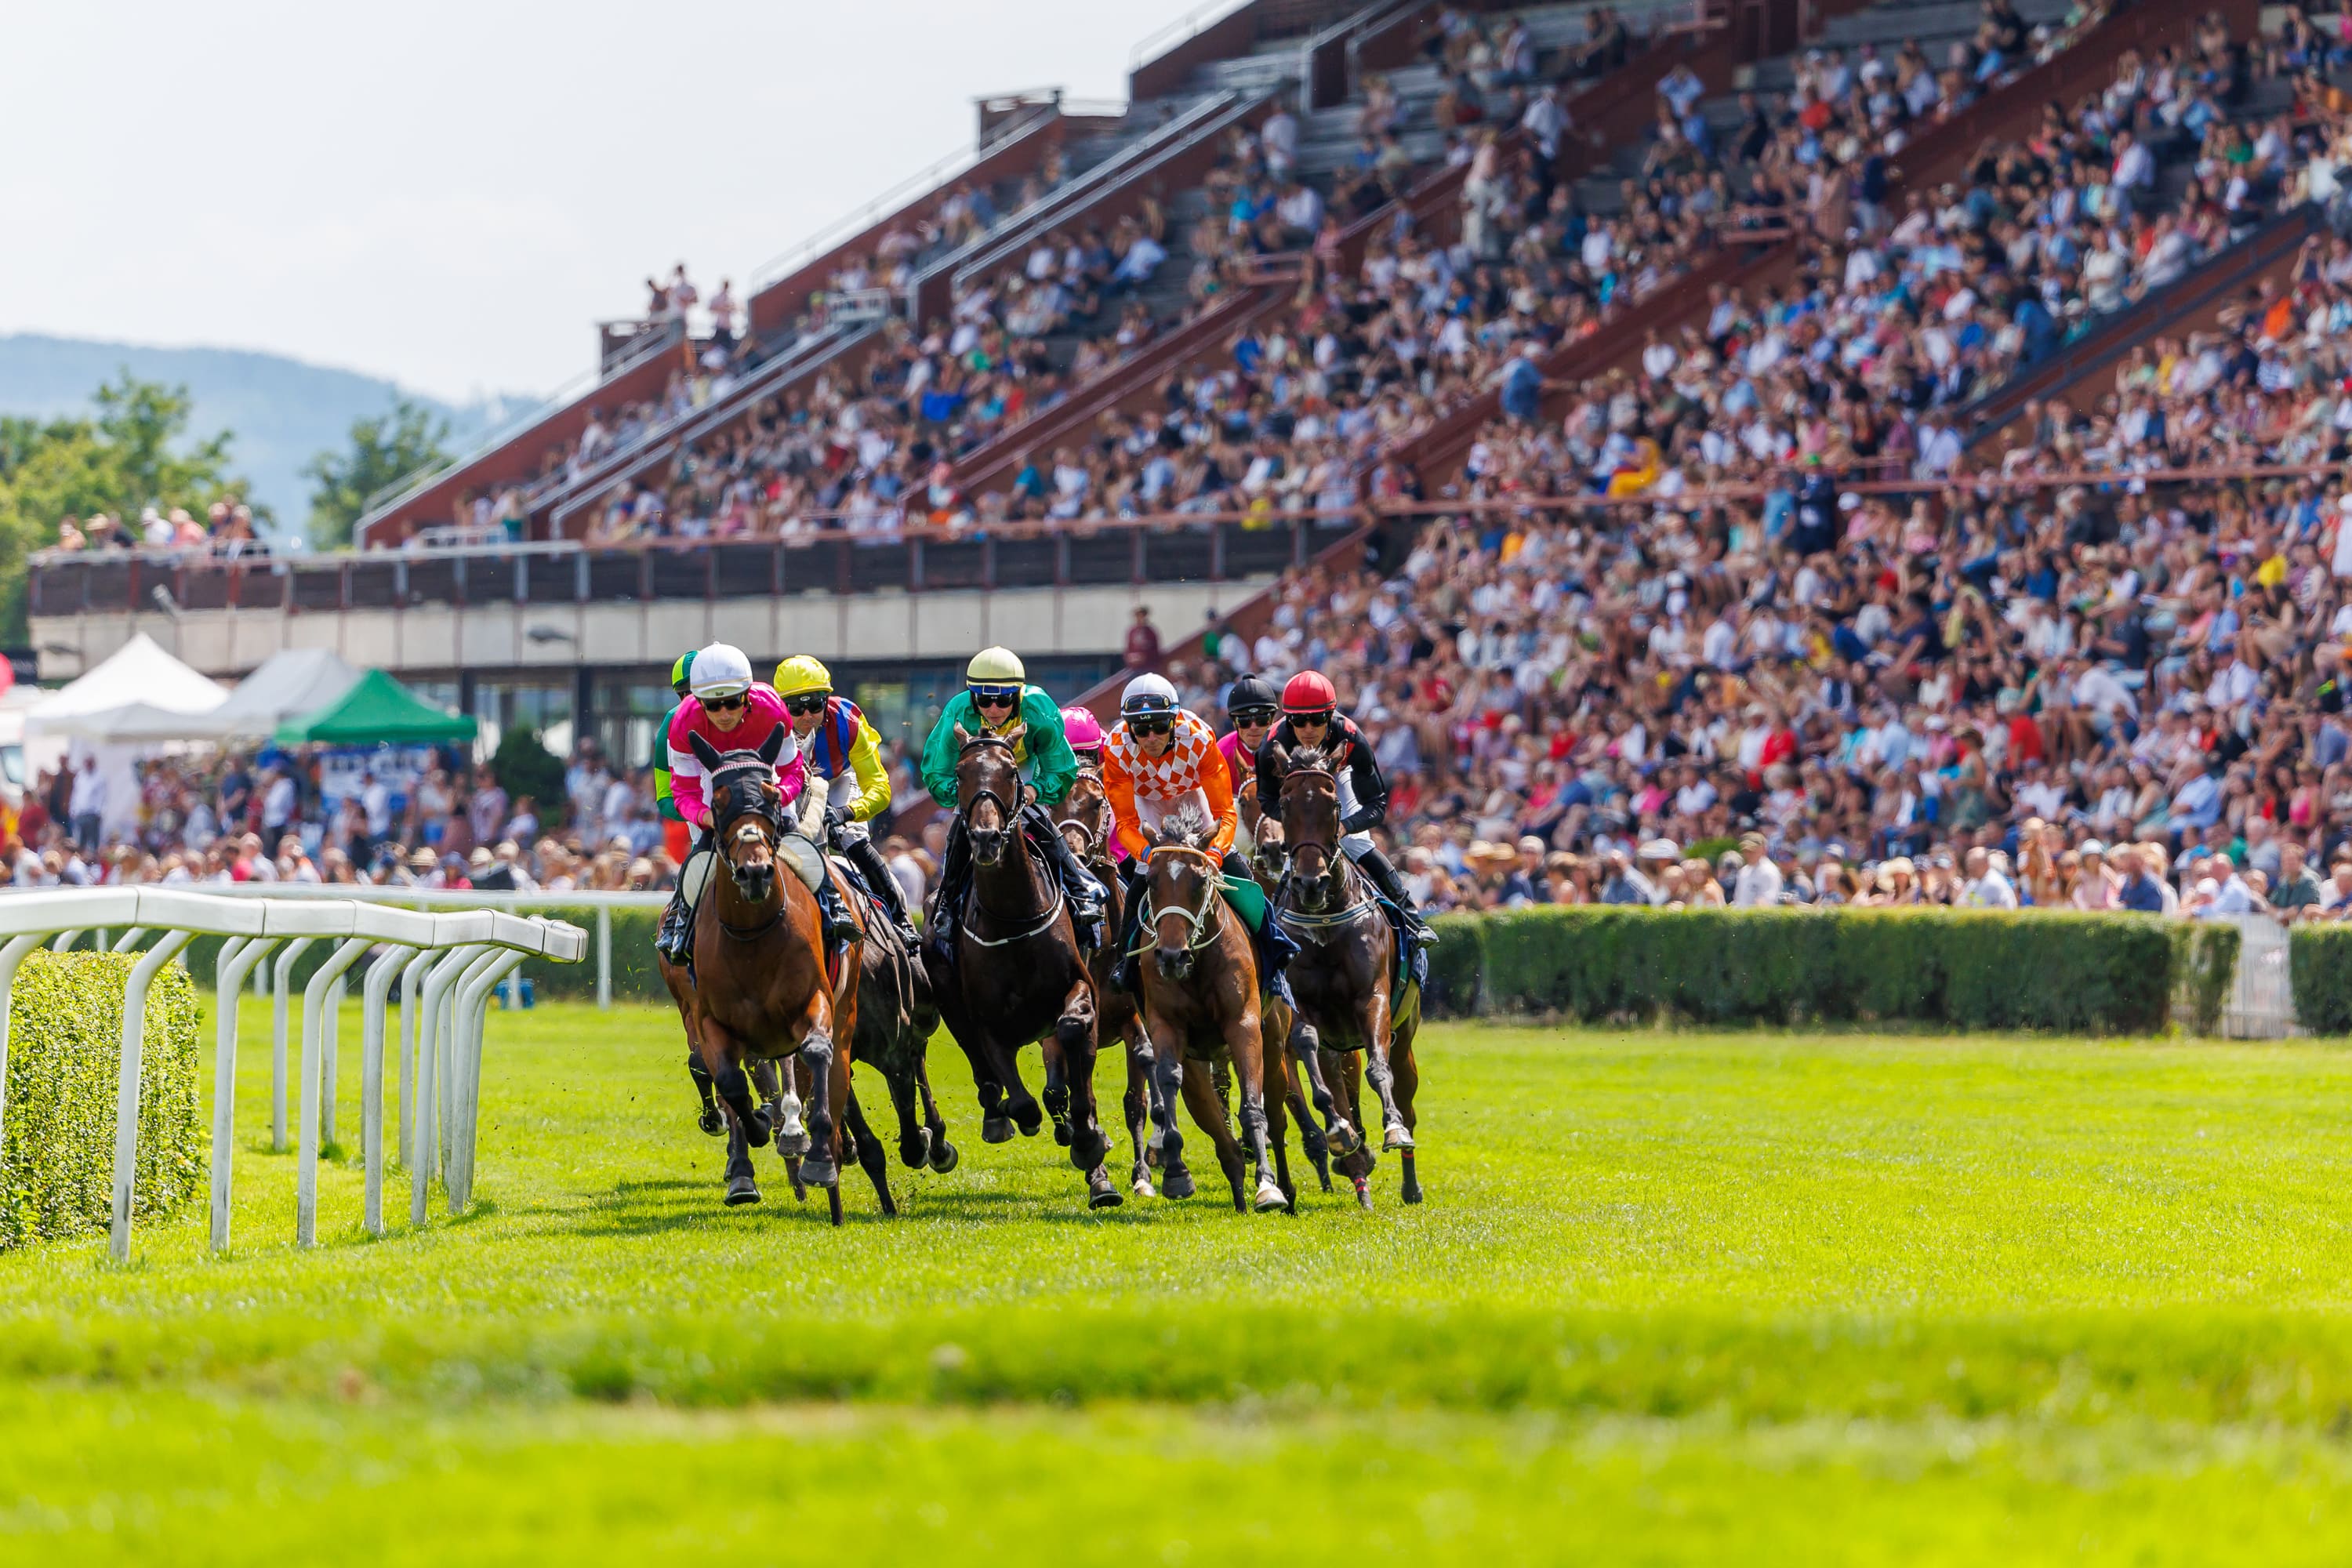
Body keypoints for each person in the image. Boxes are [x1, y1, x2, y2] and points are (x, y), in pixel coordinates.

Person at [653, 641, 856, 971]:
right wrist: (706, 816)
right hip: (713, 782)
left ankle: (833, 903)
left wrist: (779, 796)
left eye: (732, 703)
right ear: (697, 701)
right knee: (702, 854)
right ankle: (681, 921)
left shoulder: (771, 707)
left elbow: (791, 770)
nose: (723, 714)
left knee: (795, 840)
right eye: (713, 706)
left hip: (765, 776)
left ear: (747, 695)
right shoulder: (682, 723)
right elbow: (684, 793)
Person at [1100, 673, 1297, 995]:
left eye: (1160, 727)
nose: (1151, 737)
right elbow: (1125, 825)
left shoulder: (1199, 738)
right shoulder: (1116, 748)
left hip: (1191, 796)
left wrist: (1218, 852)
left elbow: (1225, 814)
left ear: (1174, 720)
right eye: (1141, 729)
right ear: (1128, 727)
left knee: (1239, 873)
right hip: (1147, 804)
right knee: (1141, 877)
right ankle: (1124, 959)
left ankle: (1273, 955)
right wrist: (1148, 855)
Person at [917, 646, 1106, 953]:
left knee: (1044, 826)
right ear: (972, 696)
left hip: (1023, 773)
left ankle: (1079, 889)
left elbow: (1062, 766)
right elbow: (936, 772)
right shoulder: (957, 710)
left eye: (1003, 699)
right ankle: (946, 909)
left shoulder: (1038, 707)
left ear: (1018, 696)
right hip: (979, 783)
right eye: (984, 699)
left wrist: (1035, 791)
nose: (993, 708)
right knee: (960, 836)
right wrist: (970, 796)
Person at [1253, 670, 1434, 944]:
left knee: (1357, 844)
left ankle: (1411, 917)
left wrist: (1344, 827)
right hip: (1294, 789)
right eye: (1299, 721)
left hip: (1336, 776)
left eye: (1317, 719)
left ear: (1331, 715)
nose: (1309, 729)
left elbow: (1376, 804)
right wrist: (1296, 824)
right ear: (1288, 720)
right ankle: (1271, 932)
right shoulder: (1270, 746)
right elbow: (1265, 798)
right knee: (1296, 852)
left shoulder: (1351, 737)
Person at [773, 654, 919, 943]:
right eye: (795, 708)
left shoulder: (847, 720)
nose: (806, 716)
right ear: (780, 707)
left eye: (815, 705)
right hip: (789, 785)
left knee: (851, 839)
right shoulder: (767, 724)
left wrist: (848, 813)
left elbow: (880, 787)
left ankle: (900, 919)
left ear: (827, 701)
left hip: (838, 781)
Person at [1218, 673, 1281, 856]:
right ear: (1234, 722)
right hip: (1240, 819)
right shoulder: (1222, 751)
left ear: (1272, 719)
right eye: (1245, 721)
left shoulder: (1288, 745)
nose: (1253, 727)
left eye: (1261, 720)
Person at [650, 650, 696, 866]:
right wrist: (699, 813)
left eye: (697, 692)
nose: (690, 703)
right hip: (704, 834)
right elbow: (664, 798)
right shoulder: (671, 721)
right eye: (684, 695)